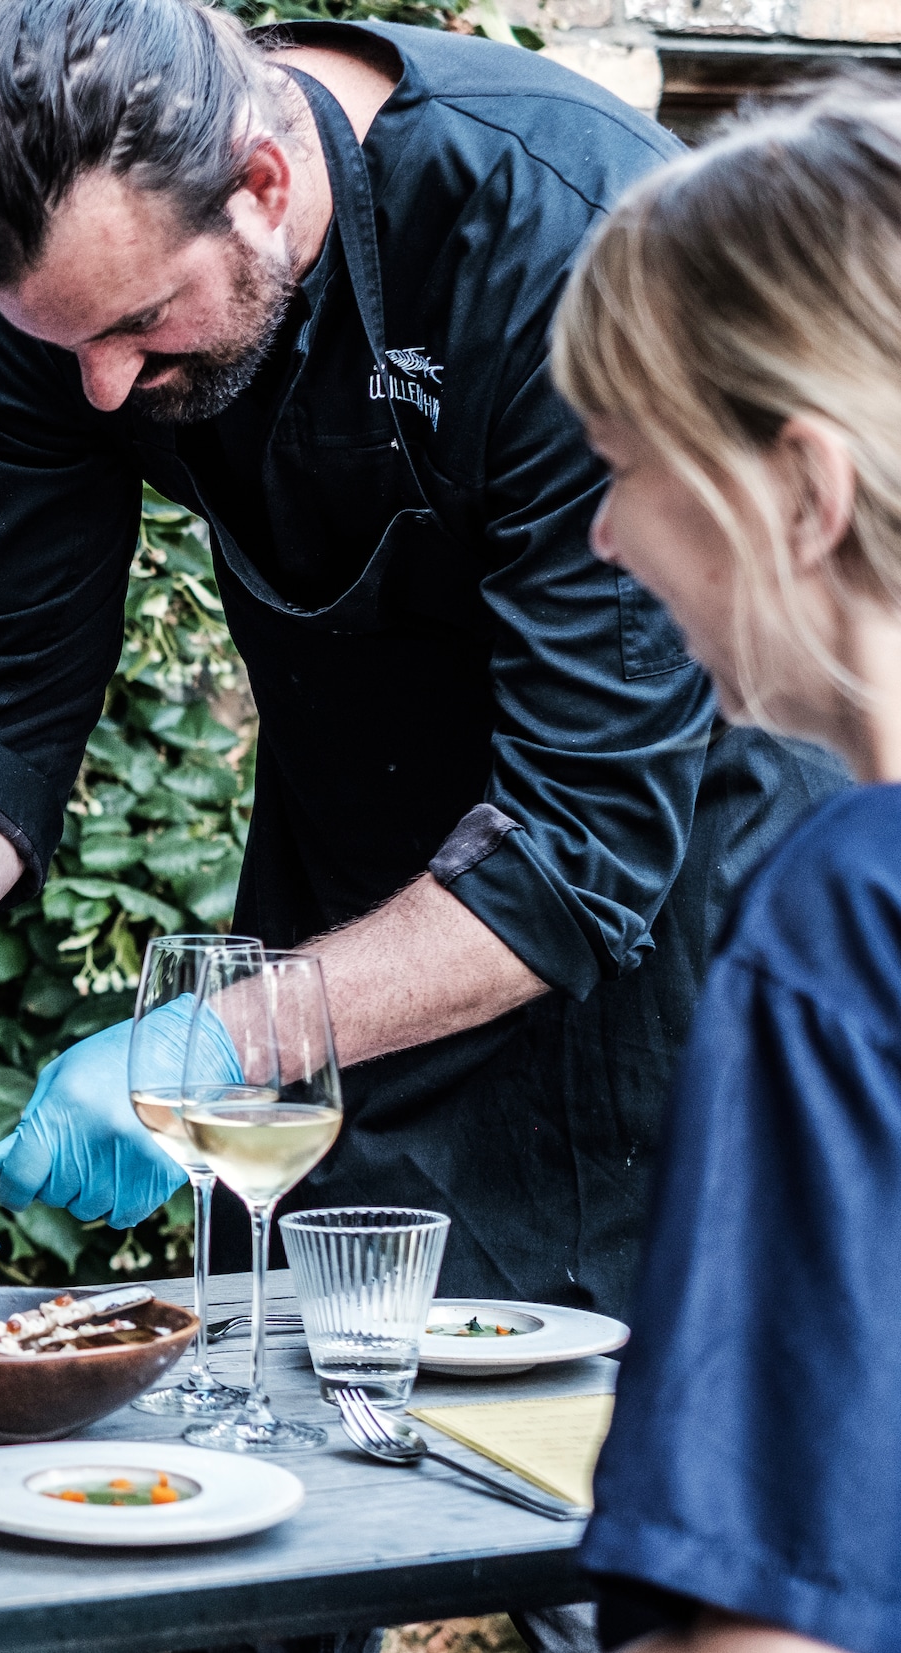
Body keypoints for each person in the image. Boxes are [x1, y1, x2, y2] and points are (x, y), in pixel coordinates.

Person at [0, 0, 843, 1312]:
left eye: (139, 328)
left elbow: (583, 842)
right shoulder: (65, 295)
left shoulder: (566, 232)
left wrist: (220, 1036)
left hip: (682, 908)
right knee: (316, 1403)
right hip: (359, 921)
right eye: (60, 341)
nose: (95, 388)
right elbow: (4, 694)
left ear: (263, 184)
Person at [546, 87, 901, 1653]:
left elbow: (776, 1615)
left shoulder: (849, 917)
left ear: (807, 490)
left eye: (622, 464)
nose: (606, 540)